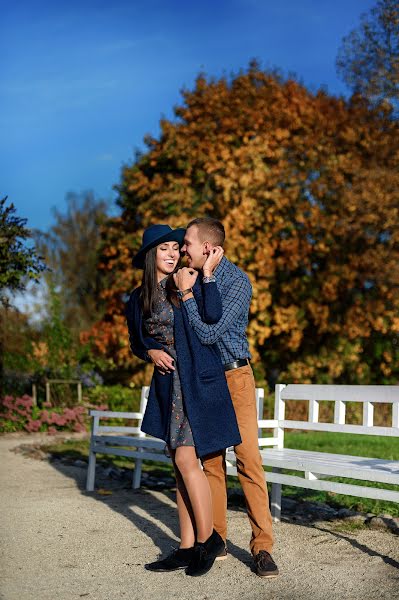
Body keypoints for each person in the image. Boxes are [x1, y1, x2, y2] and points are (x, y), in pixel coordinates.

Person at [125, 224, 242, 577]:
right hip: (167, 387)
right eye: (164, 249)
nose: (173, 253)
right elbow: (136, 341)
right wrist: (150, 353)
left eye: (176, 247)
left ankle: (210, 541)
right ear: (151, 256)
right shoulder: (138, 296)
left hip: (197, 384)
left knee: (188, 460)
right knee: (179, 467)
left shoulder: (188, 280)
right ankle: (187, 546)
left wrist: (205, 277)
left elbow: (212, 316)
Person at [173, 217, 279, 578]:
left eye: (187, 242)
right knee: (212, 463)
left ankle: (262, 547)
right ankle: (215, 538)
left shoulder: (236, 281)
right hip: (206, 380)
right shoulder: (189, 278)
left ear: (207, 247)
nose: (182, 249)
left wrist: (193, 291)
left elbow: (209, 332)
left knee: (248, 458)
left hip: (235, 377)